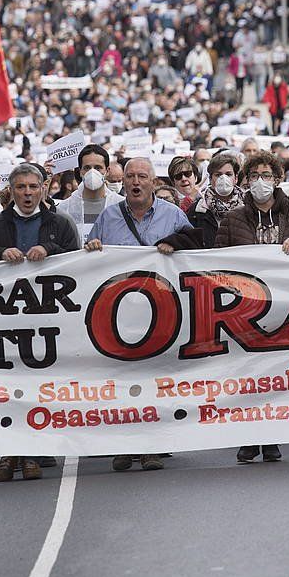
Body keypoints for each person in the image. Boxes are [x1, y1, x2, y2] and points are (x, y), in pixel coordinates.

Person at [0, 163, 79, 482]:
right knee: (7, 386)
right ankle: (9, 452)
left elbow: (77, 263)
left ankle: (32, 450)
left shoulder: (59, 223)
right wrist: (0, 254)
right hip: (5, 318)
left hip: (46, 317)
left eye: (34, 187)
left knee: (37, 386)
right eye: (21, 187)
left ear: (44, 188)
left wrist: (50, 249)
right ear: (12, 191)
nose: (28, 193)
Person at [85, 156, 191, 472]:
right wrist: (92, 248)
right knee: (121, 384)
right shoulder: (109, 216)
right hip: (118, 316)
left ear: (152, 181)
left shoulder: (172, 216)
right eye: (130, 176)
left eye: (142, 176)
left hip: (159, 313)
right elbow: (88, 250)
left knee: (152, 381)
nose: (135, 182)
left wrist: (175, 243)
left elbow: (196, 246)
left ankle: (151, 446)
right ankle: (124, 445)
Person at [211, 152, 289, 464]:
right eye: (254, 175)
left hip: (284, 310)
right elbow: (216, 261)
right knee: (246, 377)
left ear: (278, 179)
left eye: (267, 175)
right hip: (243, 309)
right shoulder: (232, 220)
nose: (260, 182)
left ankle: (271, 437)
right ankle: (247, 437)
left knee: (275, 377)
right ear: (245, 181)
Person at [55, 145, 123, 244]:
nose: (92, 172)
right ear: (80, 171)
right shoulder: (65, 208)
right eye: (87, 168)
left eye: (98, 168)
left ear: (107, 171)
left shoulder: (121, 205)